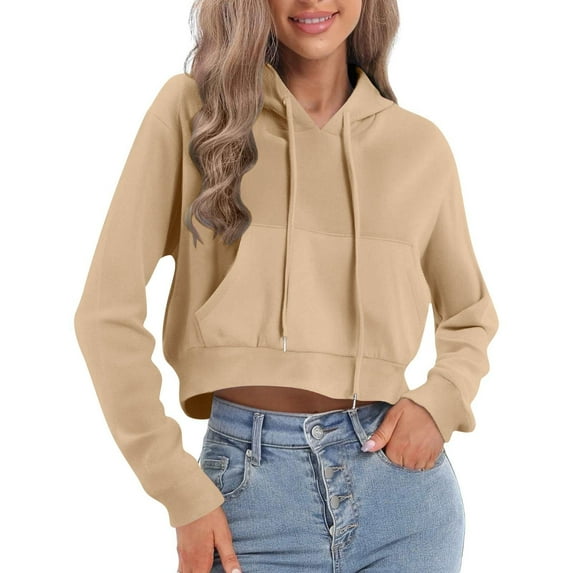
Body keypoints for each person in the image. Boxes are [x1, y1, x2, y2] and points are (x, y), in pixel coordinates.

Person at [74, 0, 499, 571]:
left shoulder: (418, 146)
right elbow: (105, 314)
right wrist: (179, 489)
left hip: (402, 502)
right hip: (246, 497)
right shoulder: (195, 113)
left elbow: (470, 313)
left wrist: (440, 401)